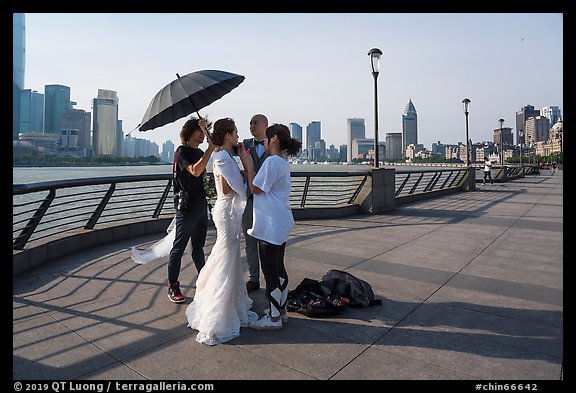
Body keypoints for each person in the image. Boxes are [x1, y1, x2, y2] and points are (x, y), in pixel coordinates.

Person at [185, 117, 258, 345]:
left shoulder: (222, 156)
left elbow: (228, 185)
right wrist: (247, 170)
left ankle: (228, 301)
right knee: (226, 256)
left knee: (228, 255)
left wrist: (240, 177)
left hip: (227, 211)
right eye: (235, 133)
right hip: (226, 212)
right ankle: (218, 311)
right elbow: (232, 188)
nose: (238, 136)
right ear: (228, 135)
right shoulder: (223, 158)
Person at [238, 123, 302, 330]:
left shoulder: (272, 161)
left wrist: (248, 165)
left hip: (271, 223)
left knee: (270, 272)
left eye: (266, 139)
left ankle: (274, 319)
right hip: (280, 220)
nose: (264, 142)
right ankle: (280, 311)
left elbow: (255, 188)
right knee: (278, 268)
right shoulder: (281, 161)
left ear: (273, 139)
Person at [166, 117, 215, 303]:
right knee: (178, 247)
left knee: (198, 248)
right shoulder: (182, 151)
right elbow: (194, 171)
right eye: (200, 131)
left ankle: (204, 282)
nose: (202, 134)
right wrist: (209, 151)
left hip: (201, 205)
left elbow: (202, 173)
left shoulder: (201, 151)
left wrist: (208, 138)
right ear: (190, 132)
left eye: (204, 131)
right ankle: (173, 285)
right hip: (186, 208)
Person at [241, 114, 269, 293]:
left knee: (266, 243)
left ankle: (270, 279)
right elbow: (223, 145)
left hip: (267, 200)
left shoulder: (274, 145)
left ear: (265, 125)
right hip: (250, 199)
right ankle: (253, 278)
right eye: (250, 123)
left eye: (255, 123)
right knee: (249, 242)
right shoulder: (244, 144)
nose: (251, 126)